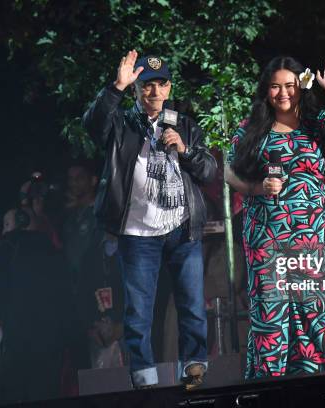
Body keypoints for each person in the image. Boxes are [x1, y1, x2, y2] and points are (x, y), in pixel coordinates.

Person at [82, 50, 217, 389]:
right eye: (147, 86)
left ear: (170, 88)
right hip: (137, 233)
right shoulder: (120, 122)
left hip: (182, 230)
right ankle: (143, 377)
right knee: (138, 312)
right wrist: (115, 86)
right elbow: (92, 124)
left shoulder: (184, 124)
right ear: (136, 90)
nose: (154, 92)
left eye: (161, 84)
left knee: (191, 305)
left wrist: (184, 150)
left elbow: (210, 171)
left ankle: (194, 367)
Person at [225, 57, 325, 378]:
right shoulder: (250, 128)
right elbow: (230, 172)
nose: (283, 93)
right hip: (266, 237)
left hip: (311, 240)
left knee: (313, 312)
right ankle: (268, 388)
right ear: (266, 90)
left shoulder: (317, 122)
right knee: (271, 316)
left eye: (289, 85)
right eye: (275, 86)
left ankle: (313, 384)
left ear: (300, 87)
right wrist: (258, 188)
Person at [0, 207, 72, 404]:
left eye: (6, 224)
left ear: (20, 223)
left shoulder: (8, 248)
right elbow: (66, 296)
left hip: (18, 338)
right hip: (51, 342)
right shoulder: (54, 250)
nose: (4, 231)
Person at [62, 161, 124, 371]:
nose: (73, 184)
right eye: (70, 179)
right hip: (81, 306)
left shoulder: (99, 216)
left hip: (109, 306)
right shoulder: (70, 218)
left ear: (93, 180)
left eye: (79, 177)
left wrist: (119, 321)